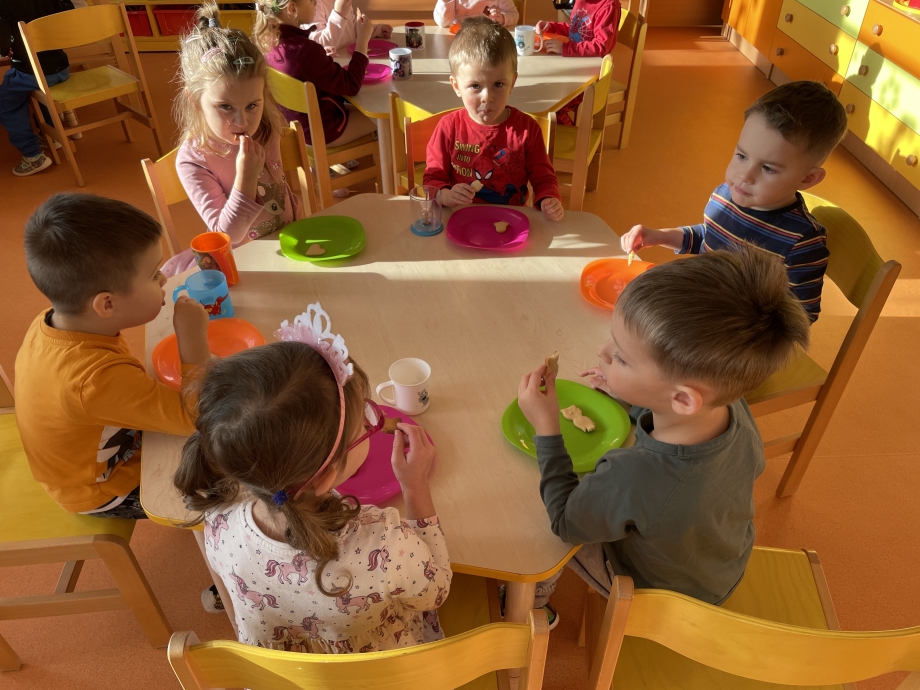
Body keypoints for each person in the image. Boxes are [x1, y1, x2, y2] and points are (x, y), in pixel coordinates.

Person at [516, 247, 811, 628]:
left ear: (683, 399)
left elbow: (566, 522)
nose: (603, 352)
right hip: (720, 564)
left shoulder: (633, 474)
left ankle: (533, 601)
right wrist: (633, 393)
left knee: (531, 518)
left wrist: (546, 428)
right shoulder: (731, 407)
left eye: (622, 358)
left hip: (659, 593)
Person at [174, 304, 451, 653]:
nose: (370, 426)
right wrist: (415, 487)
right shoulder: (385, 543)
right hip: (373, 672)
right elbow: (436, 591)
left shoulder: (217, 518)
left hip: (290, 674)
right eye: (363, 428)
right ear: (325, 479)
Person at [14, 193, 210, 519]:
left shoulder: (55, 321)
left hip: (96, 444)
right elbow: (195, 418)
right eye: (153, 275)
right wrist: (193, 340)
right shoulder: (93, 380)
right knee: (232, 476)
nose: (164, 278)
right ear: (106, 304)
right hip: (103, 489)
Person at [620, 81, 849, 322]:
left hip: (739, 333)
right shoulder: (725, 196)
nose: (744, 176)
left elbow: (802, 316)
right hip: (703, 305)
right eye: (741, 156)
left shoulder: (802, 242)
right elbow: (709, 238)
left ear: (807, 178)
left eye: (768, 168)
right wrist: (659, 236)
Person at [162, 1, 305, 277]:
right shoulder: (194, 160)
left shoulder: (265, 130)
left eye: (252, 105)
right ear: (195, 101)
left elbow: (280, 191)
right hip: (242, 268)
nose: (243, 122)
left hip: (288, 244)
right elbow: (228, 237)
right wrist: (246, 177)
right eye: (226, 107)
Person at [424, 17, 564, 221]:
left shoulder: (527, 129)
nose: (487, 97)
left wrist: (549, 199)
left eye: (498, 84)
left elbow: (544, 178)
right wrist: (446, 195)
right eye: (475, 86)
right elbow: (431, 180)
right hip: (461, 220)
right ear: (456, 86)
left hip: (511, 221)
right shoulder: (448, 127)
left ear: (512, 82)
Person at [254, 0, 378, 147]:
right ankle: (390, 161)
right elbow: (351, 85)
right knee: (385, 116)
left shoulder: (268, 42)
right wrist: (362, 42)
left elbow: (297, 66)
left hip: (298, 127)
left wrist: (320, 57)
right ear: (292, 8)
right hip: (324, 131)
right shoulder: (306, 51)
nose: (315, 3)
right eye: (311, 0)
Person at [0, 0, 74, 176]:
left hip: (32, 73)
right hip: (61, 68)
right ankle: (50, 135)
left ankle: (32, 155)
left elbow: (3, 47)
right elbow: (69, 20)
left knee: (6, 103)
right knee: (39, 91)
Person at [534, 0, 620, 126]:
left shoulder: (609, 6)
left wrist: (565, 48)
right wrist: (551, 27)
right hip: (574, 67)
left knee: (552, 105)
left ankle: (572, 134)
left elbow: (601, 46)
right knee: (542, 93)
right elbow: (575, 30)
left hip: (590, 81)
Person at [303, 0, 392, 53]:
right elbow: (319, 46)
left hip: (349, 59)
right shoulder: (312, 5)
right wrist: (339, 14)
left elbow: (352, 28)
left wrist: (377, 30)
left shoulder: (343, 2)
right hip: (332, 66)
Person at [433, 0, 519, 29]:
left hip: (488, 36)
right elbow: (442, 23)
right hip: (458, 37)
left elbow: (514, 14)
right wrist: (446, 2)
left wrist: (502, 18)